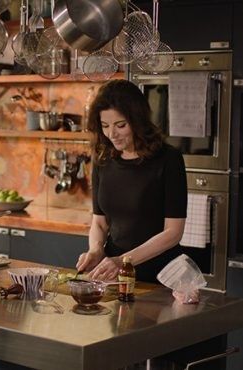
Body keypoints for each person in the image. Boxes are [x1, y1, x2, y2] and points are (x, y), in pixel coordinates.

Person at [76, 79, 187, 283]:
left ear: (138, 121)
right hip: (114, 274)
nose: (111, 134)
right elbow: (99, 222)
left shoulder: (168, 159)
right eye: (105, 126)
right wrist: (95, 251)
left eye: (120, 125)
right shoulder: (103, 158)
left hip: (159, 276)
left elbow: (173, 232)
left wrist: (124, 261)